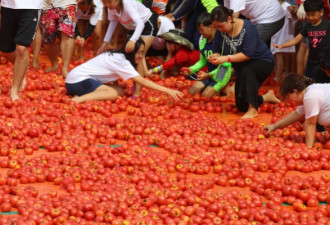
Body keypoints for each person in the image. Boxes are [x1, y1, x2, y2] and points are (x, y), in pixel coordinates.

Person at [208, 6, 281, 119]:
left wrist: (226, 58)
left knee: (248, 71)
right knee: (241, 105)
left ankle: (253, 109)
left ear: (229, 18)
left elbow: (248, 55)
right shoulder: (220, 32)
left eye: (221, 26)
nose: (220, 30)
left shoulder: (247, 27)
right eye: (217, 27)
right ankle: (266, 97)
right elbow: (217, 50)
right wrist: (216, 56)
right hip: (241, 66)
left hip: (262, 61)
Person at [66, 37, 183, 103]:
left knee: (119, 91)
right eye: (139, 53)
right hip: (77, 82)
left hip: (76, 79)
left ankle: (86, 97)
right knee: (112, 93)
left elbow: (112, 75)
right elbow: (141, 81)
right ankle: (77, 100)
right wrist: (168, 91)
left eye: (142, 53)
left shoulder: (117, 55)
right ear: (131, 51)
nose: (141, 57)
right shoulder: (121, 61)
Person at [264, 74, 330, 148]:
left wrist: (309, 148)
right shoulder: (310, 92)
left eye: (288, 96)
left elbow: (310, 124)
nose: (289, 100)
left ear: (295, 92)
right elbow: (297, 113)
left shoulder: (310, 96)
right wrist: (274, 126)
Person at [272, 0, 330, 78]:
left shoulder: (327, 24)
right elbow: (296, 39)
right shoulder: (308, 26)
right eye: (308, 15)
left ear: (321, 12)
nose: (311, 18)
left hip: (325, 60)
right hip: (311, 61)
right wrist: (282, 46)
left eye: (313, 15)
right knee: (310, 80)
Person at [0, 0, 43, 101]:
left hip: (31, 6)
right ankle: (22, 69)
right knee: (5, 50)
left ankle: (14, 91)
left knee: (22, 49)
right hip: (8, 5)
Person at [180, 13, 231, 97]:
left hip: (221, 74)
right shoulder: (204, 41)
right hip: (209, 74)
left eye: (202, 30)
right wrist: (190, 70)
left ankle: (223, 87)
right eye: (199, 30)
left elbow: (225, 65)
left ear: (211, 27)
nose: (200, 32)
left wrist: (208, 75)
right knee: (192, 91)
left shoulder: (222, 40)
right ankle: (216, 88)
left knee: (206, 96)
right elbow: (202, 61)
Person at [39, 0, 78, 77]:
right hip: (46, 6)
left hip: (67, 3)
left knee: (67, 33)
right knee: (48, 38)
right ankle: (54, 65)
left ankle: (65, 68)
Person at [271, 0, 298, 82]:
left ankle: (278, 77)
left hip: (283, 34)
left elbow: (294, 19)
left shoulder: (286, 5)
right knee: (275, 55)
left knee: (279, 55)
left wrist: (293, 10)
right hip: (275, 33)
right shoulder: (274, 5)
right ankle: (277, 74)